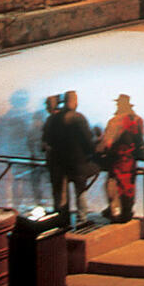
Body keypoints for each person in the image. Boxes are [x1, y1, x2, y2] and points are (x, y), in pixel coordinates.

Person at [42, 90, 99, 228]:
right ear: (73, 101)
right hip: (76, 161)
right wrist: (94, 151)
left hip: (58, 162)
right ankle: (82, 220)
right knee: (80, 190)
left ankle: (62, 220)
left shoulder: (52, 119)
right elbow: (88, 141)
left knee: (61, 193)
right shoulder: (78, 118)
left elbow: (46, 140)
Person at [98, 92, 144, 223]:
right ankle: (127, 212)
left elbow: (106, 143)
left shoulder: (115, 121)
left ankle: (115, 212)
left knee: (113, 185)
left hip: (117, 160)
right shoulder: (138, 120)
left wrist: (99, 149)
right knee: (129, 186)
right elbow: (140, 138)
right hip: (131, 161)